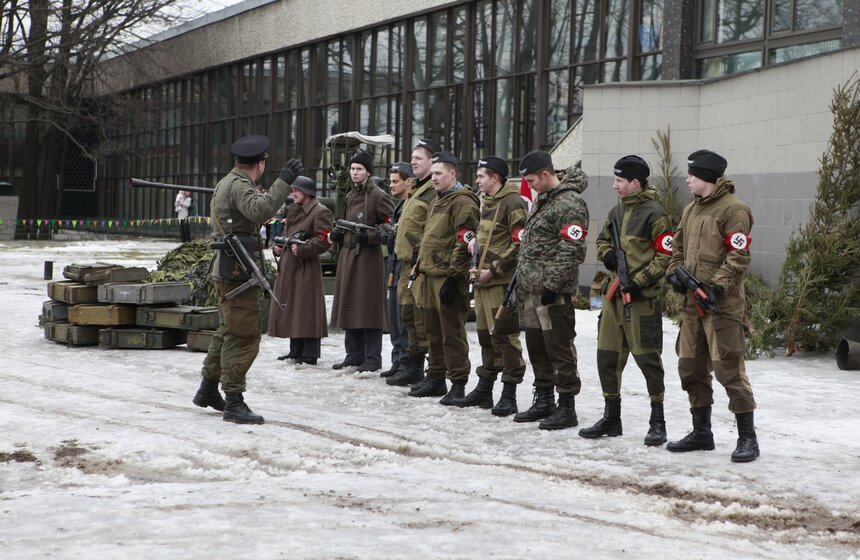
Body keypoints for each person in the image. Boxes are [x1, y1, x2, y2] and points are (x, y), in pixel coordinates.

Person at [192, 134, 304, 424]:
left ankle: (207, 389)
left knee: (227, 330)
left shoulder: (227, 182)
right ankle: (234, 400)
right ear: (261, 163)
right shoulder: (240, 185)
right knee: (244, 336)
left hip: (230, 268)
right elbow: (261, 210)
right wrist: (285, 181)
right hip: (237, 271)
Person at [665, 149, 759, 462]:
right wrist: (675, 274)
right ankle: (701, 432)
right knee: (690, 367)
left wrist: (715, 286)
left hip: (722, 308)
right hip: (691, 307)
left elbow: (738, 256)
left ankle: (748, 438)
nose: (687, 180)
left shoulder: (735, 210)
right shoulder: (690, 209)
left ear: (708, 177)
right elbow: (676, 249)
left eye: (692, 175)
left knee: (728, 369)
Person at [578, 155, 673, 445]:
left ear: (635, 183)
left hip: (642, 300)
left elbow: (666, 256)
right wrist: (607, 255)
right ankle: (611, 417)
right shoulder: (617, 212)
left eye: (619, 181)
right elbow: (603, 240)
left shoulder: (655, 215)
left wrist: (639, 281)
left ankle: (658, 421)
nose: (615, 185)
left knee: (648, 360)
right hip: (614, 298)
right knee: (607, 356)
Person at [513, 151, 589, 430]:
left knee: (559, 347)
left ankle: (566, 405)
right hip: (532, 290)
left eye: (532, 180)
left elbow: (572, 249)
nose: (530, 185)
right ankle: (544, 398)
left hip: (552, 292)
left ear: (546, 175)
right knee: (537, 346)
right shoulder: (543, 201)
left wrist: (552, 285)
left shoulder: (570, 203)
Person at [456, 156, 527, 417]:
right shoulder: (488, 202)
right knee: (486, 336)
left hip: (499, 283)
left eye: (481, 176)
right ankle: (485, 388)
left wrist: (494, 270)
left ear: (495, 177)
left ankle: (509, 394)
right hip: (483, 281)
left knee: (505, 337)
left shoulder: (512, 202)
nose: (476, 180)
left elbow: (519, 244)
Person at [409, 151, 479, 404]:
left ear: (452, 174)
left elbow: (464, 242)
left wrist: (453, 277)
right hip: (428, 274)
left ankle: (458, 382)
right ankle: (436, 377)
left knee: (451, 332)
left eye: (439, 174)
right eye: (433, 174)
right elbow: (430, 237)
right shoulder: (439, 199)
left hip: (447, 277)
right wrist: (419, 265)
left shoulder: (463, 202)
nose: (434, 178)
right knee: (432, 331)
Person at [329, 151, 395, 372]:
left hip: (368, 259)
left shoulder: (377, 195)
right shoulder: (350, 195)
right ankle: (353, 355)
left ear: (368, 172)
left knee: (368, 308)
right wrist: (338, 234)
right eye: (352, 168)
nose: (354, 172)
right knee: (350, 305)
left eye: (359, 169)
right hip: (349, 257)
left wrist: (369, 236)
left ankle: (372, 358)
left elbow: (391, 227)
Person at [385, 138, 441, 388]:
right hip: (406, 263)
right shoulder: (418, 189)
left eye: (418, 157)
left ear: (432, 161)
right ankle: (411, 365)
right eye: (413, 157)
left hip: (422, 265)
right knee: (408, 316)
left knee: (421, 320)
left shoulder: (433, 192)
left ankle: (425, 369)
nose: (413, 161)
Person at [268, 176, 333, 366]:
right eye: (292, 190)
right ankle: (295, 350)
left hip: (306, 268)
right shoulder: (295, 210)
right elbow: (288, 236)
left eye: (296, 190)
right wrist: (278, 248)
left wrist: (304, 249)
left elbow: (324, 240)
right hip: (291, 266)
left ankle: (310, 353)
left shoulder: (320, 211)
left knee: (307, 310)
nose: (293, 194)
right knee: (294, 309)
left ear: (307, 192)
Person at [379, 163, 416, 379]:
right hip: (394, 262)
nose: (391, 185)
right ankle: (398, 359)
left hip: (405, 264)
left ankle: (405, 363)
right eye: (391, 181)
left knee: (403, 318)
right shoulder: (400, 205)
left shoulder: (412, 204)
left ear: (408, 181)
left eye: (395, 181)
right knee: (393, 316)